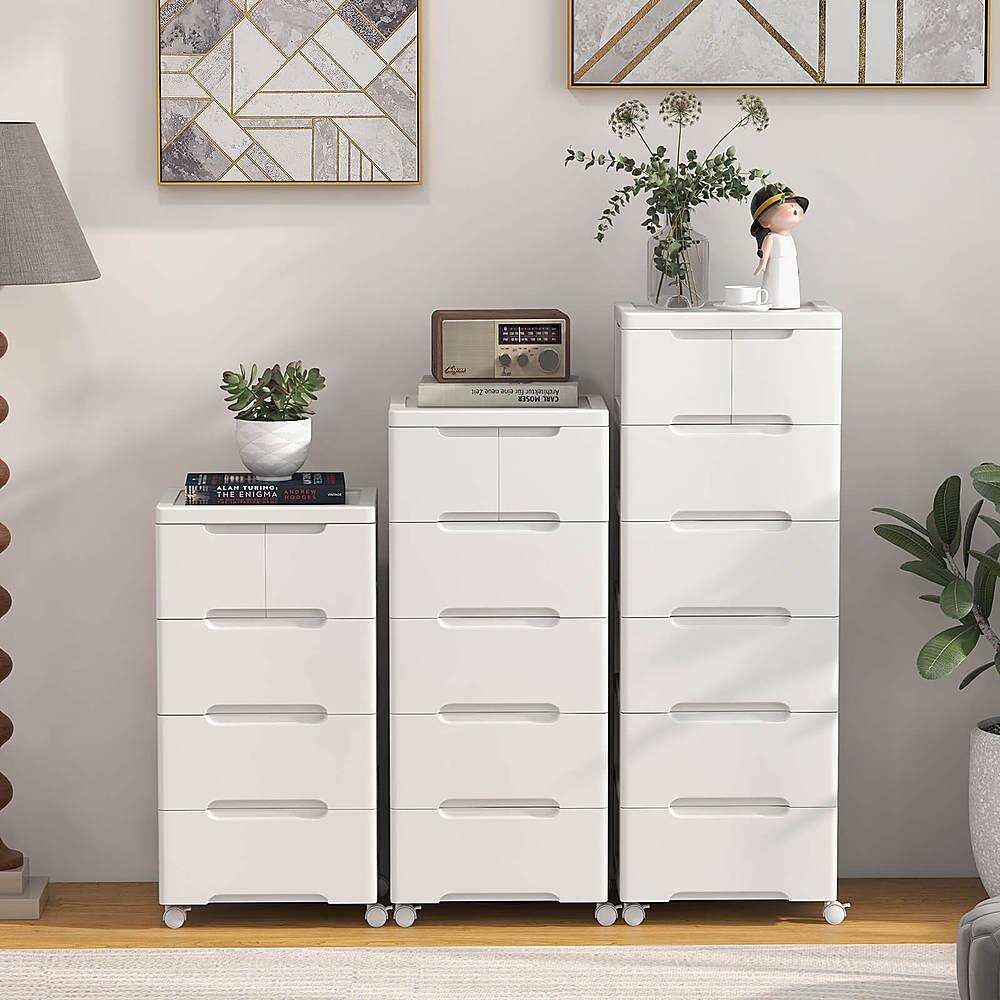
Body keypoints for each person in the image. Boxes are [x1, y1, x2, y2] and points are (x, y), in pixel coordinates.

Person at [750, 185, 810, 310]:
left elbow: (793, 255)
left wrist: (795, 266)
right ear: (764, 221)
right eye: (786, 204)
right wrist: (763, 264)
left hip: (790, 268)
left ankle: (791, 301)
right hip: (776, 269)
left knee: (790, 286)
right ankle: (775, 302)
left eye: (794, 203)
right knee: (776, 284)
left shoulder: (789, 238)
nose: (793, 206)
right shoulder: (772, 238)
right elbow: (765, 256)